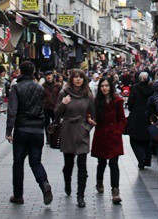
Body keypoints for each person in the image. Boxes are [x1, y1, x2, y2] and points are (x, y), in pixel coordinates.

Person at [6, 61, 53, 206]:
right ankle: (44, 183)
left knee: (18, 162)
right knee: (35, 161)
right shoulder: (40, 88)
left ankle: (18, 195)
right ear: (33, 72)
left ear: (20, 71)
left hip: (22, 129)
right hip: (38, 130)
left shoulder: (16, 88)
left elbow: (12, 111)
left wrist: (9, 130)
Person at [55, 69, 96, 208]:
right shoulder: (64, 93)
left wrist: (87, 129)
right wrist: (64, 103)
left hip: (82, 131)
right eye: (75, 77)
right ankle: (67, 182)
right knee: (69, 163)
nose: (78, 79)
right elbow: (57, 113)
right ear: (71, 79)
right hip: (68, 130)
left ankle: (80, 196)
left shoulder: (88, 95)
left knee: (82, 165)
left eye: (81, 77)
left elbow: (94, 116)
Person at [91, 77, 127, 205]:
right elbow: (91, 115)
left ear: (110, 87)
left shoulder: (117, 101)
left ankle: (115, 191)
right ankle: (99, 181)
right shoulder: (96, 102)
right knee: (101, 162)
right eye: (102, 86)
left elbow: (122, 119)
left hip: (114, 136)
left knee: (113, 163)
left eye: (106, 85)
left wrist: (118, 131)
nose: (104, 88)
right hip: (101, 135)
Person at [126, 72, 154, 169]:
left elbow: (130, 102)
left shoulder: (135, 88)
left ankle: (141, 157)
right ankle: (146, 159)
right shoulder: (151, 89)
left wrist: (131, 109)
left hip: (136, 117)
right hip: (147, 117)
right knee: (146, 139)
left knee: (134, 138)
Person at [42, 71, 62, 141]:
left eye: (50, 75)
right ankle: (48, 138)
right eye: (47, 75)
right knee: (46, 123)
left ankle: (55, 137)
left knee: (56, 123)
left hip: (55, 107)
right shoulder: (43, 86)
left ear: (52, 76)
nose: (49, 77)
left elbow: (60, 96)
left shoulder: (57, 86)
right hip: (46, 107)